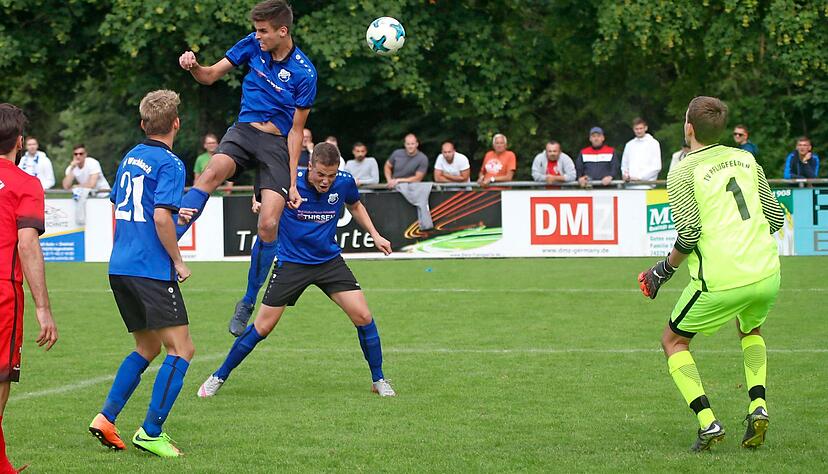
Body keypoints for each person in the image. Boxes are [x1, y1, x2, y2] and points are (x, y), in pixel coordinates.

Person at [638, 96, 784, 452]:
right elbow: (776, 218)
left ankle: (708, 423)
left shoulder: (683, 170)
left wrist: (662, 270)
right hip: (766, 272)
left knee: (673, 341)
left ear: (689, 128)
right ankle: (758, 406)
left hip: (720, 279)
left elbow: (689, 234)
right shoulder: (746, 158)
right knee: (750, 329)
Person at [197, 143, 397, 399]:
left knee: (364, 317)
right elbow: (264, 197)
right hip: (291, 263)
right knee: (262, 327)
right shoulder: (290, 182)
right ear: (309, 166)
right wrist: (259, 203)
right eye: (321, 174)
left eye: (331, 175)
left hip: (328, 262)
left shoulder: (344, 182)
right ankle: (219, 376)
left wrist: (375, 235)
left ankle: (378, 379)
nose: (326, 181)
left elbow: (355, 205)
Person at [177, 0, 317, 337]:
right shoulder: (252, 45)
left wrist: (293, 181)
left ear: (282, 31)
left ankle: (248, 299)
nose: (258, 36)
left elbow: (296, 132)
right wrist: (193, 66)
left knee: (268, 224)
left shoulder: (305, 72)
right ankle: (166, 249)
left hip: (276, 144)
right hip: (244, 131)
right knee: (210, 173)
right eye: (256, 30)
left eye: (263, 31)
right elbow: (210, 75)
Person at [87, 90, 196, 458]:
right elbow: (161, 217)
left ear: (142, 124)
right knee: (182, 349)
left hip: (121, 266)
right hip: (150, 270)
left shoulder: (130, 157)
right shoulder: (172, 163)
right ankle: (151, 431)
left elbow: (122, 206)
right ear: (176, 123)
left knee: (147, 347)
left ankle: (106, 418)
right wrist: (178, 261)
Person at [0, 103, 58, 473]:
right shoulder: (25, 184)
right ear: (20, 142)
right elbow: (27, 244)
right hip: (3, 290)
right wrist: (43, 308)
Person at [61, 144, 111, 225]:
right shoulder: (72, 167)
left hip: (103, 196)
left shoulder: (93, 163)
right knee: (91, 223)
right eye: (76, 154)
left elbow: (92, 184)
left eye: (81, 154)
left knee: (104, 223)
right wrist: (72, 168)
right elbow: (66, 186)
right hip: (89, 198)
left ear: (85, 155)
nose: (78, 156)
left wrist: (77, 186)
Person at [621, 118, 662, 187]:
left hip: (647, 185)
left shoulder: (653, 143)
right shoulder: (629, 145)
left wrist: (640, 178)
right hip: (630, 185)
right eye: (636, 129)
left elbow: (657, 166)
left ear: (646, 128)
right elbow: (624, 164)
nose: (639, 131)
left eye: (641, 128)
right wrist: (625, 175)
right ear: (633, 129)